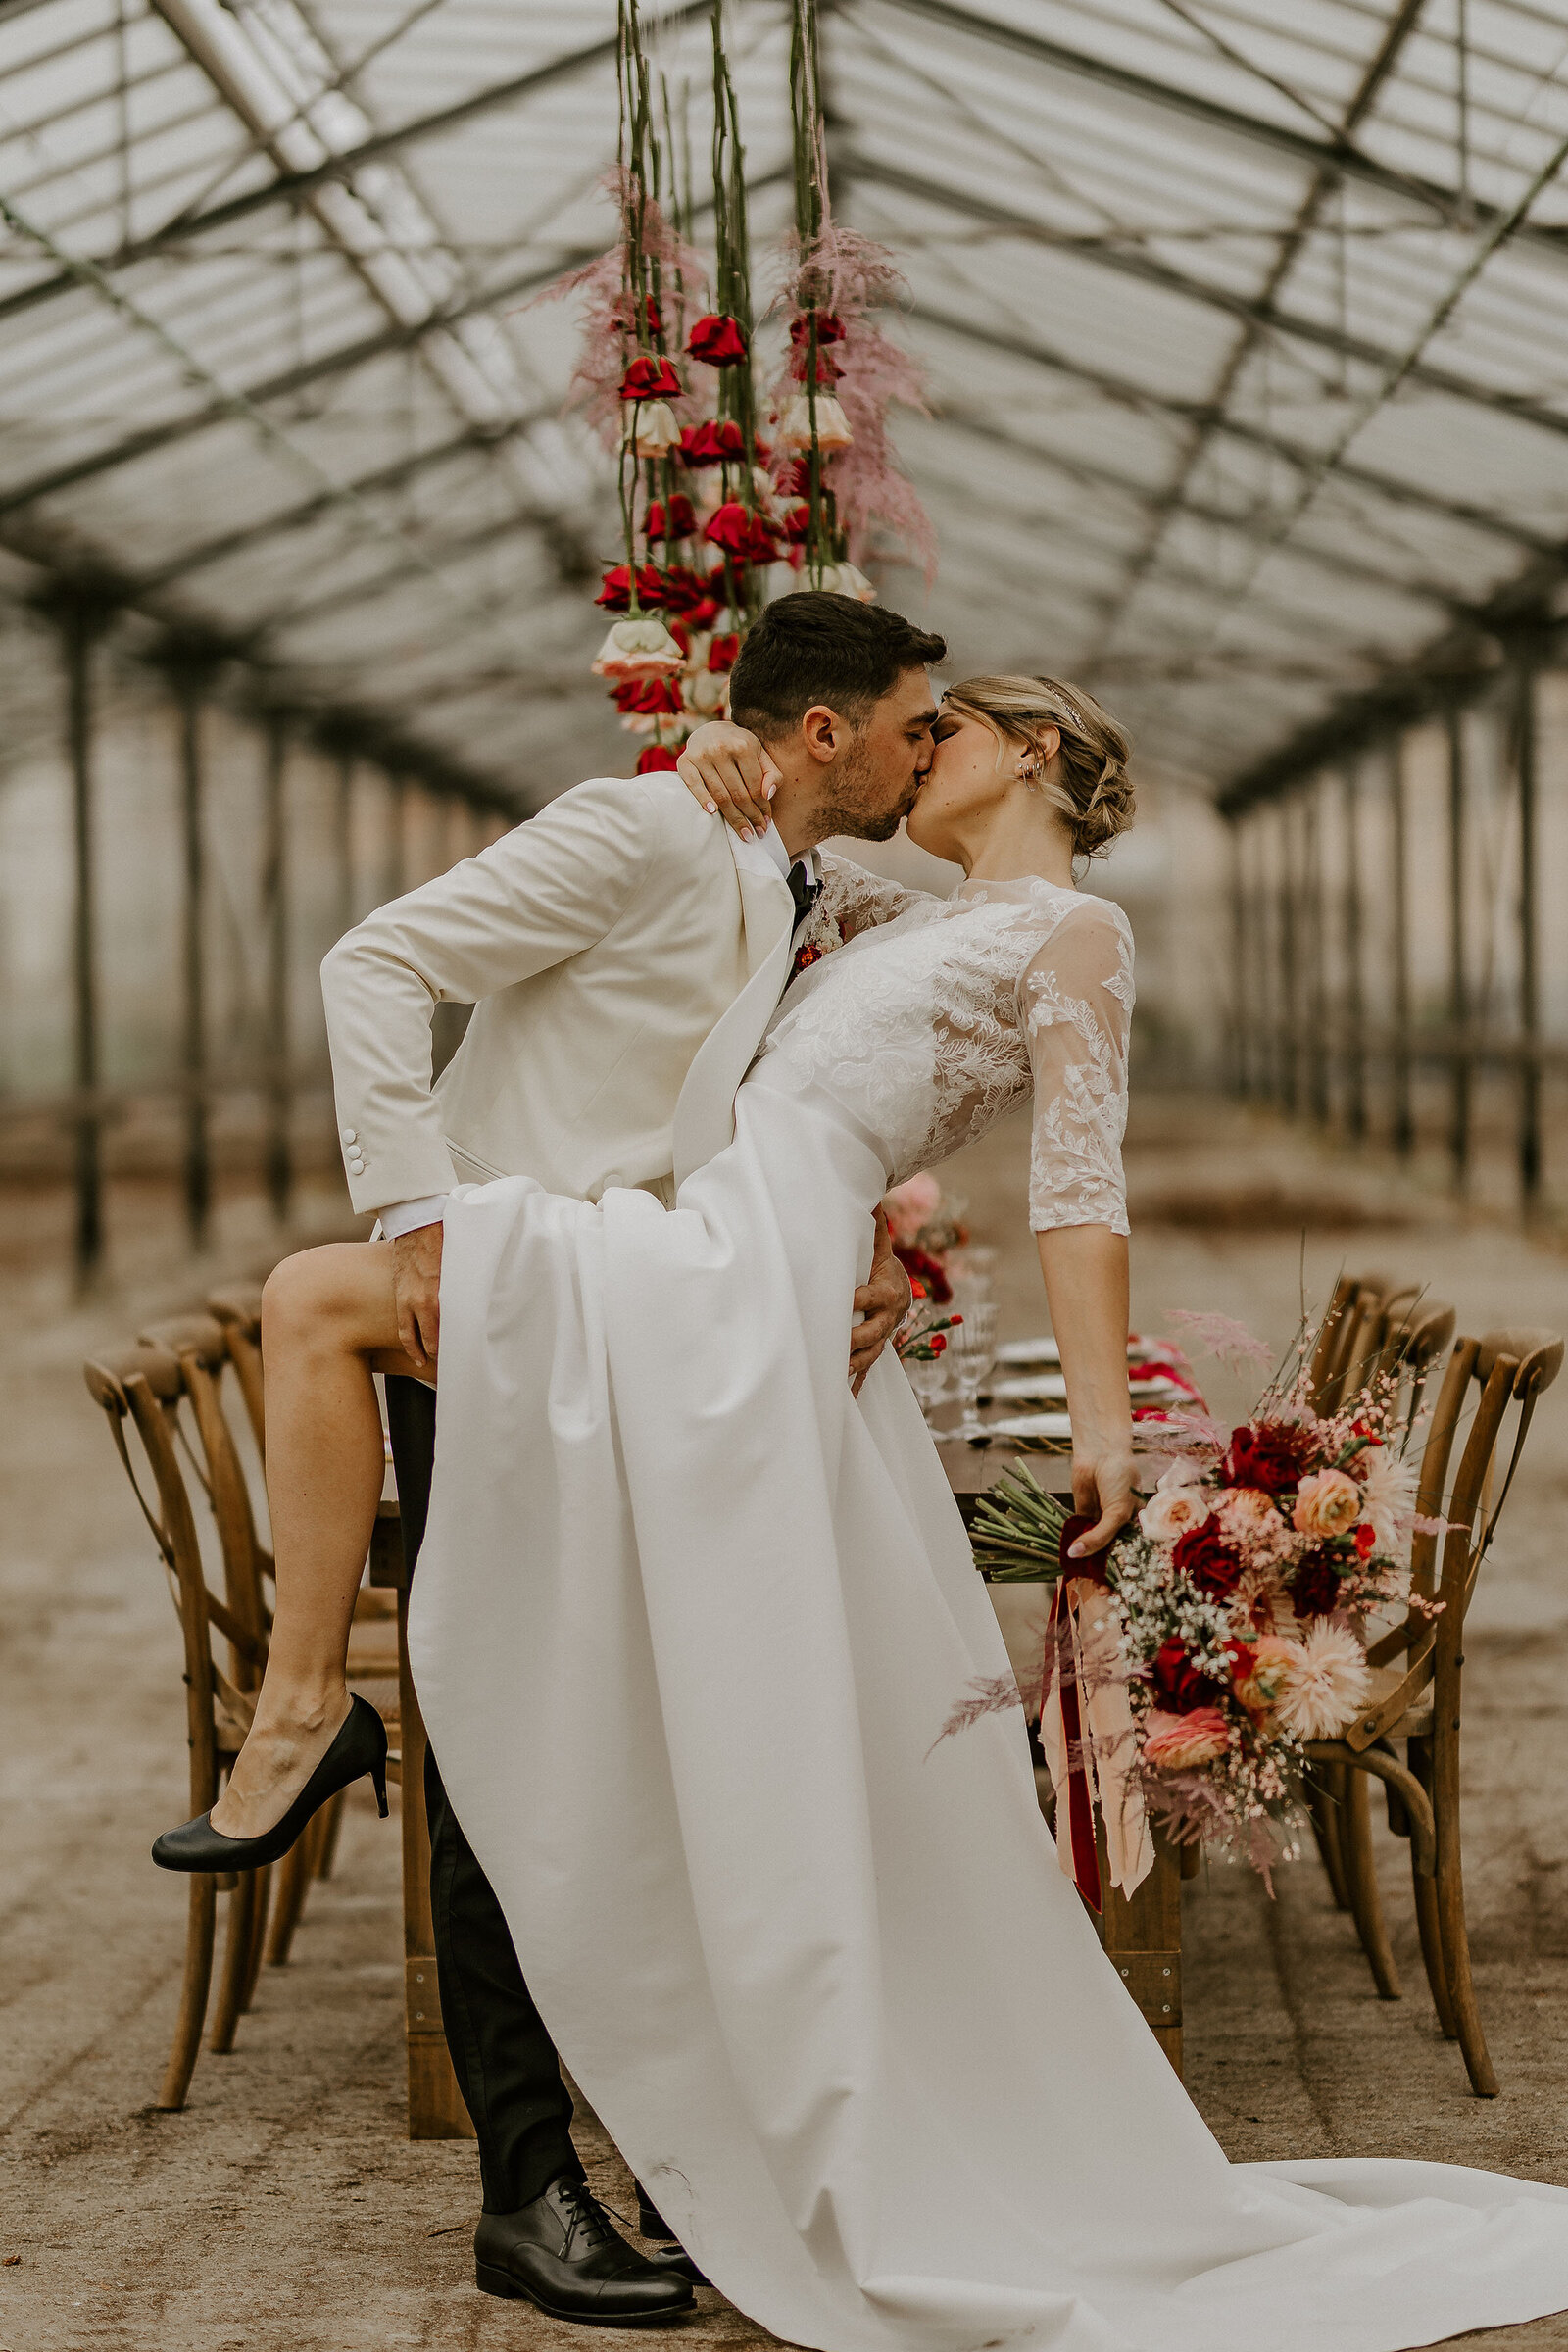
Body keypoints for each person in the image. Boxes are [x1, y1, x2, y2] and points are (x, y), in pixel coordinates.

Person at [158, 630, 1568, 2347]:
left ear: (1033, 750)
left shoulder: (1077, 931)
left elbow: (1075, 1179)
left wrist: (1109, 1426)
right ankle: (368, 1784)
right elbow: (773, 991)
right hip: (727, 1251)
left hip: (742, 1277)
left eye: (948, 731)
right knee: (371, 1362)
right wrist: (709, 745)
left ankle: (326, 1741)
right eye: (908, 727)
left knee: (326, 1308)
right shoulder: (873, 904)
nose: (920, 757)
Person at [151, 593, 942, 2321]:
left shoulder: (806, 870)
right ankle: (526, 2187)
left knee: (640, 1750)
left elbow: (936, 931)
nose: (924, 753)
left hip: (654, 1340)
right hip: (505, 1327)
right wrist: (421, 1219)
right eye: (911, 724)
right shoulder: (647, 827)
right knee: (494, 1742)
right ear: (828, 730)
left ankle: (685, 2149)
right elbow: (377, 962)